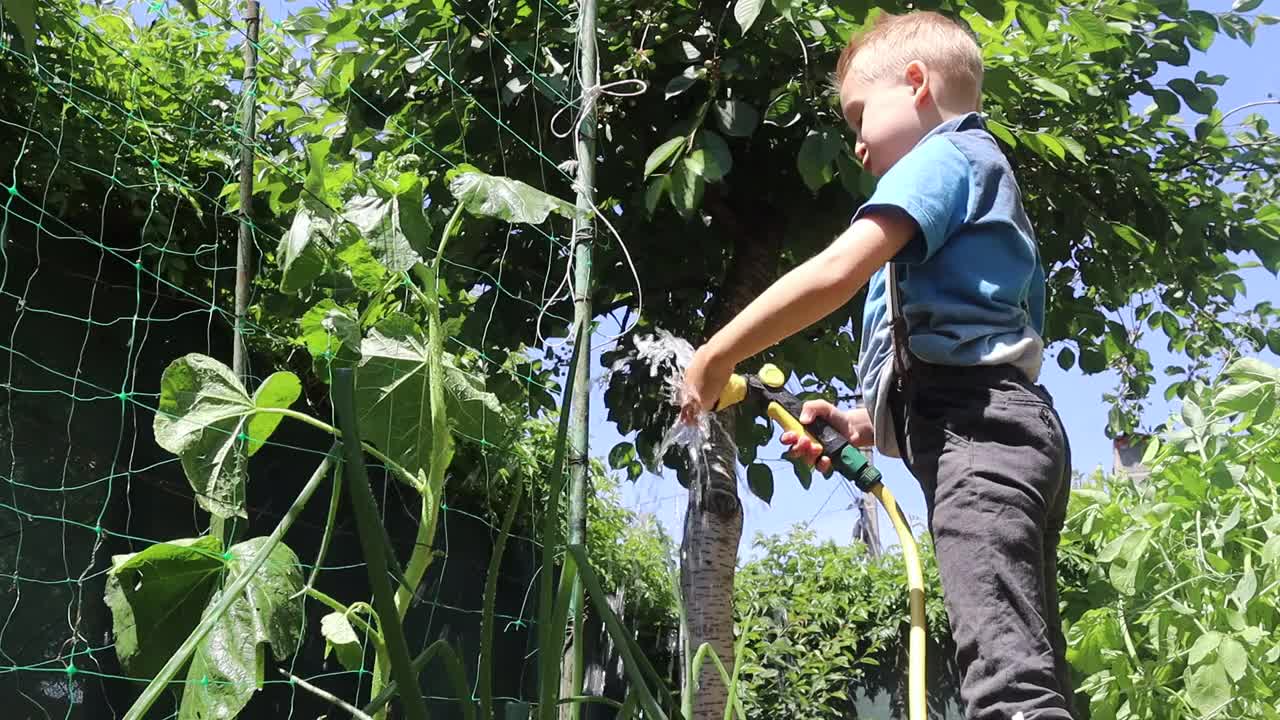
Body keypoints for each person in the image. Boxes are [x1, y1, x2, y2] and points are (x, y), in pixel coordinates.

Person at [679, 11, 1075, 720]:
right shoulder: (969, 182)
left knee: (1004, 679)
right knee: (1031, 661)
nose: (857, 144)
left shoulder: (946, 157)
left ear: (917, 84)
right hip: (1001, 426)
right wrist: (869, 422)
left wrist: (717, 355)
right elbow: (965, 348)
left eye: (861, 115)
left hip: (982, 436)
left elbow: (836, 271)